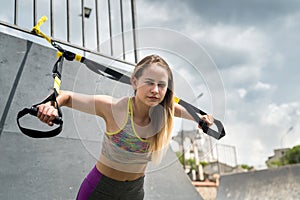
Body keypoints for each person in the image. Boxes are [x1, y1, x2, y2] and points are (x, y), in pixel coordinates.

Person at [37, 54, 214, 200]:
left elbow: (178, 109)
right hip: (100, 191)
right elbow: (66, 97)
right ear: (135, 82)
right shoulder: (114, 108)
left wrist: (200, 118)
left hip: (134, 193)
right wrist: (51, 106)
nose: (155, 90)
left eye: (161, 85)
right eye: (149, 82)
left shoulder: (163, 112)